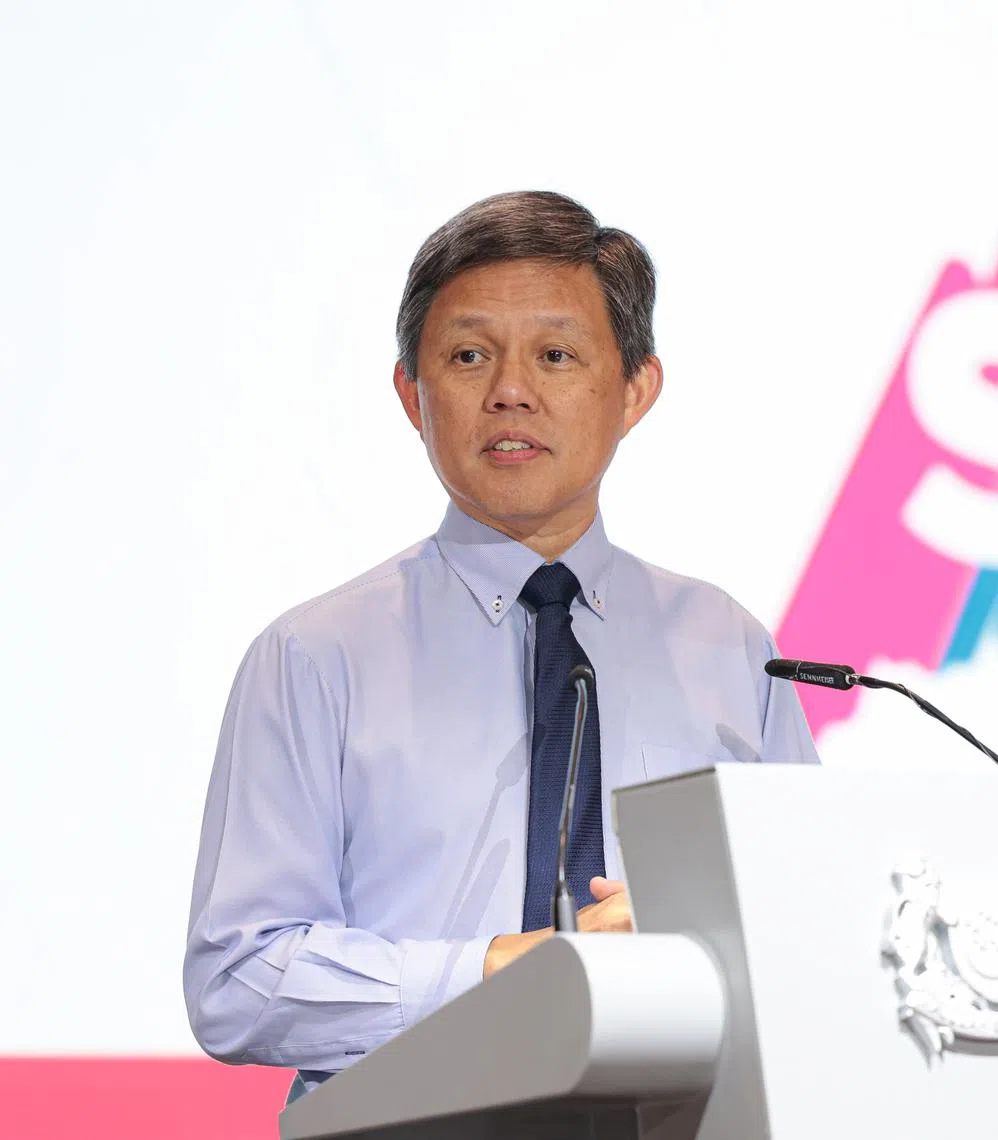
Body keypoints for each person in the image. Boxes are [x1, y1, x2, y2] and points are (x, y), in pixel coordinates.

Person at [183, 191, 819, 1103]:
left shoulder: (729, 648)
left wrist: (700, 940)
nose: (510, 390)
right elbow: (236, 982)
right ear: (412, 393)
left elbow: (805, 929)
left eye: (556, 356)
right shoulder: (313, 656)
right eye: (469, 355)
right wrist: (503, 971)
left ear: (636, 389)